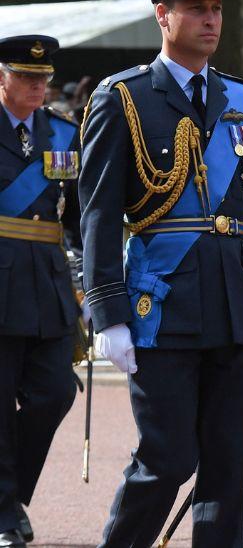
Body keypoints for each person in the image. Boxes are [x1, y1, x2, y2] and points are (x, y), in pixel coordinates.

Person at [79, 0, 243, 547]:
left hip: (233, 306)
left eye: (216, 10)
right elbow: (100, 211)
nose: (211, 20)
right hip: (164, 305)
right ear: (163, 15)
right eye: (197, 9)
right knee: (169, 457)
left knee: (227, 471)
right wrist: (107, 310)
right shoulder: (122, 97)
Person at [0, 35, 81, 548]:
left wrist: (97, 280)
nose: (37, 85)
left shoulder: (64, 134)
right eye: (26, 77)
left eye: (43, 78)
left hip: (49, 282)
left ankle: (8, 495)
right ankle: (5, 510)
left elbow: (77, 218)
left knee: (55, 393)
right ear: (1, 77)